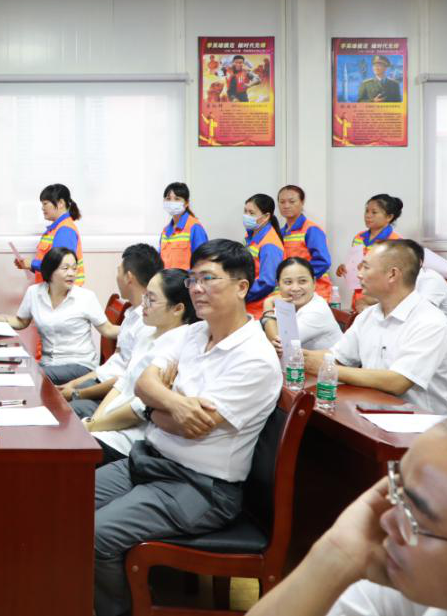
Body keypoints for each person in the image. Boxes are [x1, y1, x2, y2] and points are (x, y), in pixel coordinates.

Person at [92, 239, 282, 616]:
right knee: (63, 500)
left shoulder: (255, 358)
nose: (196, 288)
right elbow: (144, 383)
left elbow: (194, 428)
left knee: (95, 534)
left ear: (241, 287)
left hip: (201, 487)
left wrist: (158, 404)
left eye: (208, 279)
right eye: (193, 279)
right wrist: (174, 403)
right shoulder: (192, 333)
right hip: (150, 461)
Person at [246, 407, 447, 616]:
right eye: (397, 491)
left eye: (415, 519)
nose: (385, 520)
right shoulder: (417, 583)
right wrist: (334, 555)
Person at [304, 240, 447, 415]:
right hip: (375, 410)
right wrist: (298, 355)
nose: (359, 274)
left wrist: (329, 370)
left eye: (366, 267)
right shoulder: (369, 315)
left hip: (423, 423)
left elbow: (398, 382)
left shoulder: (430, 322)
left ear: (392, 274)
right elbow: (337, 357)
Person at [82, 268, 196, 463]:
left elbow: (139, 409)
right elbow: (122, 384)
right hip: (106, 426)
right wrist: (94, 422)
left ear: (177, 309)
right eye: (145, 297)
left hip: (128, 439)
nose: (143, 304)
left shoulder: (178, 346)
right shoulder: (147, 332)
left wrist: (94, 426)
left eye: (151, 299)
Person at [58, 244, 164, 415]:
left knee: (62, 411)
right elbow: (112, 365)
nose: (117, 277)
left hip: (113, 395)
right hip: (101, 384)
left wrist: (77, 393)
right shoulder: (131, 314)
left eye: (118, 271)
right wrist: (73, 384)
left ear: (129, 277)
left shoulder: (147, 322)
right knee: (56, 400)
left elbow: (125, 380)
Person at [0, 248, 106, 385]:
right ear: (50, 270)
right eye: (65, 268)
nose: (71, 273)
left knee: (32, 374)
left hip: (80, 365)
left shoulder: (86, 297)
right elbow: (21, 321)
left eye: (74, 268)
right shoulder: (34, 292)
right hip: (48, 363)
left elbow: (108, 329)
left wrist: (130, 326)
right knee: (14, 369)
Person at [259, 257, 344, 352]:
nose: (295, 288)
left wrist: (268, 304)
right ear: (278, 285)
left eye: (302, 281)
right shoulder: (287, 304)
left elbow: (281, 345)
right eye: (288, 282)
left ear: (314, 283)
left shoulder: (317, 310)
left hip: (330, 362)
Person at [337, 194, 403, 311]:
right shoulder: (359, 237)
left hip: (379, 299)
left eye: (374, 212)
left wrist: (370, 267)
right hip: (358, 296)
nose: (368, 215)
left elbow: (397, 274)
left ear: (389, 217)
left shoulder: (395, 241)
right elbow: (353, 262)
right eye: (366, 211)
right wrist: (345, 268)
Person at [13, 183, 85, 286]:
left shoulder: (65, 230)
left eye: (45, 203)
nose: (42, 208)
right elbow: (49, 265)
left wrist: (32, 264)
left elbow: (59, 265)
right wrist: (29, 265)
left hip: (63, 291)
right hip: (55, 289)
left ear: (60, 203)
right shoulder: (55, 229)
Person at [277, 184, 333, 299]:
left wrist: (300, 278)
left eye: (292, 201)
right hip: (292, 292)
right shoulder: (281, 232)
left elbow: (323, 261)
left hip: (315, 292)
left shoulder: (311, 230)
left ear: (302, 202)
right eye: (282, 202)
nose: (286, 206)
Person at [244, 193, 284, 318]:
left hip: (262, 308)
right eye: (245, 211)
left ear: (266, 216)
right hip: (252, 306)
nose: (246, 216)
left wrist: (241, 296)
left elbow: (267, 282)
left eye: (251, 213)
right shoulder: (251, 236)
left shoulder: (269, 244)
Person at [159, 182, 208, 270]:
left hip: (185, 278)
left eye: (177, 199)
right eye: (168, 198)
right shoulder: (165, 231)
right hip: (166, 277)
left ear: (186, 203)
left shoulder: (194, 227)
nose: (172, 202)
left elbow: (202, 261)